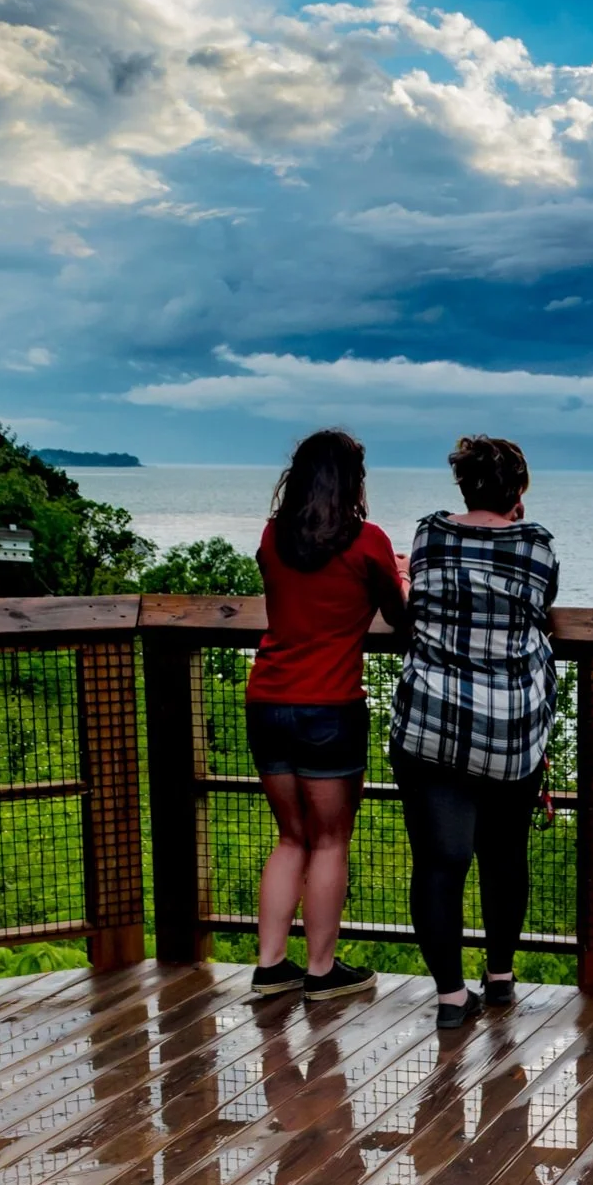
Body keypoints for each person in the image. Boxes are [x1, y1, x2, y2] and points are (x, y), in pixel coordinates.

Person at [390, 434, 559, 1030]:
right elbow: (539, 605)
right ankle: (501, 976)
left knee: (440, 861)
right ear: (517, 490)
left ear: (462, 484)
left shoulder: (428, 536)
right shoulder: (536, 546)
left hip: (430, 724)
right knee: (504, 854)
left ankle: (449, 996)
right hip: (508, 730)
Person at [245, 428, 408, 1002]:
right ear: (353, 481)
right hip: (330, 707)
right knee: (330, 841)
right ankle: (320, 970)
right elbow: (399, 617)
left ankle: (270, 966)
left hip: (267, 698)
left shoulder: (272, 537)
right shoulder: (368, 543)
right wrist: (402, 576)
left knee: (289, 838)